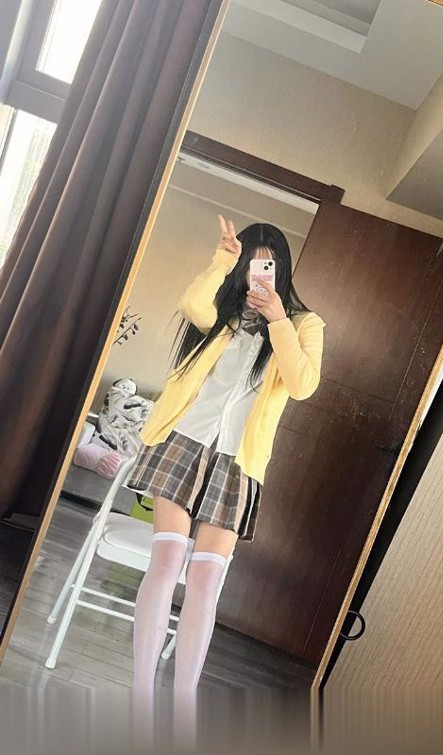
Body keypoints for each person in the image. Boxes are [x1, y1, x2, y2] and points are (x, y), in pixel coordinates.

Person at [127, 213, 326, 692]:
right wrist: (221, 261)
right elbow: (191, 304)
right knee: (166, 562)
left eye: (268, 266)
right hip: (184, 443)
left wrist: (278, 320)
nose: (259, 274)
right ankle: (141, 693)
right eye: (251, 264)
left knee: (205, 582)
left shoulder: (305, 324)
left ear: (282, 270)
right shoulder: (223, 313)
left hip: (238, 464)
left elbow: (302, 385)